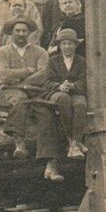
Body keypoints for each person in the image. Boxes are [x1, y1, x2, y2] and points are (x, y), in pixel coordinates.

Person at [27, 27, 88, 180]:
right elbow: (47, 81)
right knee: (63, 99)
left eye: (70, 44)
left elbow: (84, 80)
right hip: (57, 93)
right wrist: (59, 86)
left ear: (75, 45)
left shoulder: (81, 61)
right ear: (60, 46)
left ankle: (76, 141)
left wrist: (73, 86)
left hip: (75, 92)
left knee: (80, 105)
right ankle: (71, 140)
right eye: (64, 44)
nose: (67, 47)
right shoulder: (53, 61)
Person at [0, 19, 48, 159]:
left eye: (24, 31)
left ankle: (47, 156)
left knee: (46, 110)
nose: (21, 34)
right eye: (17, 31)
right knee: (19, 99)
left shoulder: (40, 52)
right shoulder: (1, 52)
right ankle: (19, 142)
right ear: (11, 33)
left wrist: (19, 81)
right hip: (8, 91)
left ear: (29, 33)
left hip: (35, 90)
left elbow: (43, 73)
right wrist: (28, 70)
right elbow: (2, 74)